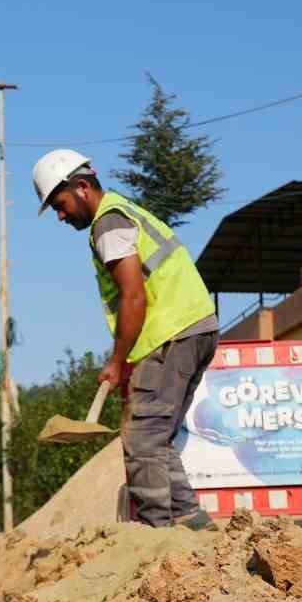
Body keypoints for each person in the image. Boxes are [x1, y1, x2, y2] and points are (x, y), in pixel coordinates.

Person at [33, 148, 219, 529]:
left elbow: (134, 295)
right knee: (157, 435)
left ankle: (154, 535)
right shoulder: (124, 211)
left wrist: (117, 362)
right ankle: (192, 522)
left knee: (141, 437)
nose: (60, 215)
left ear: (82, 187)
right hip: (194, 327)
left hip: (172, 331)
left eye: (60, 203)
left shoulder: (108, 223)